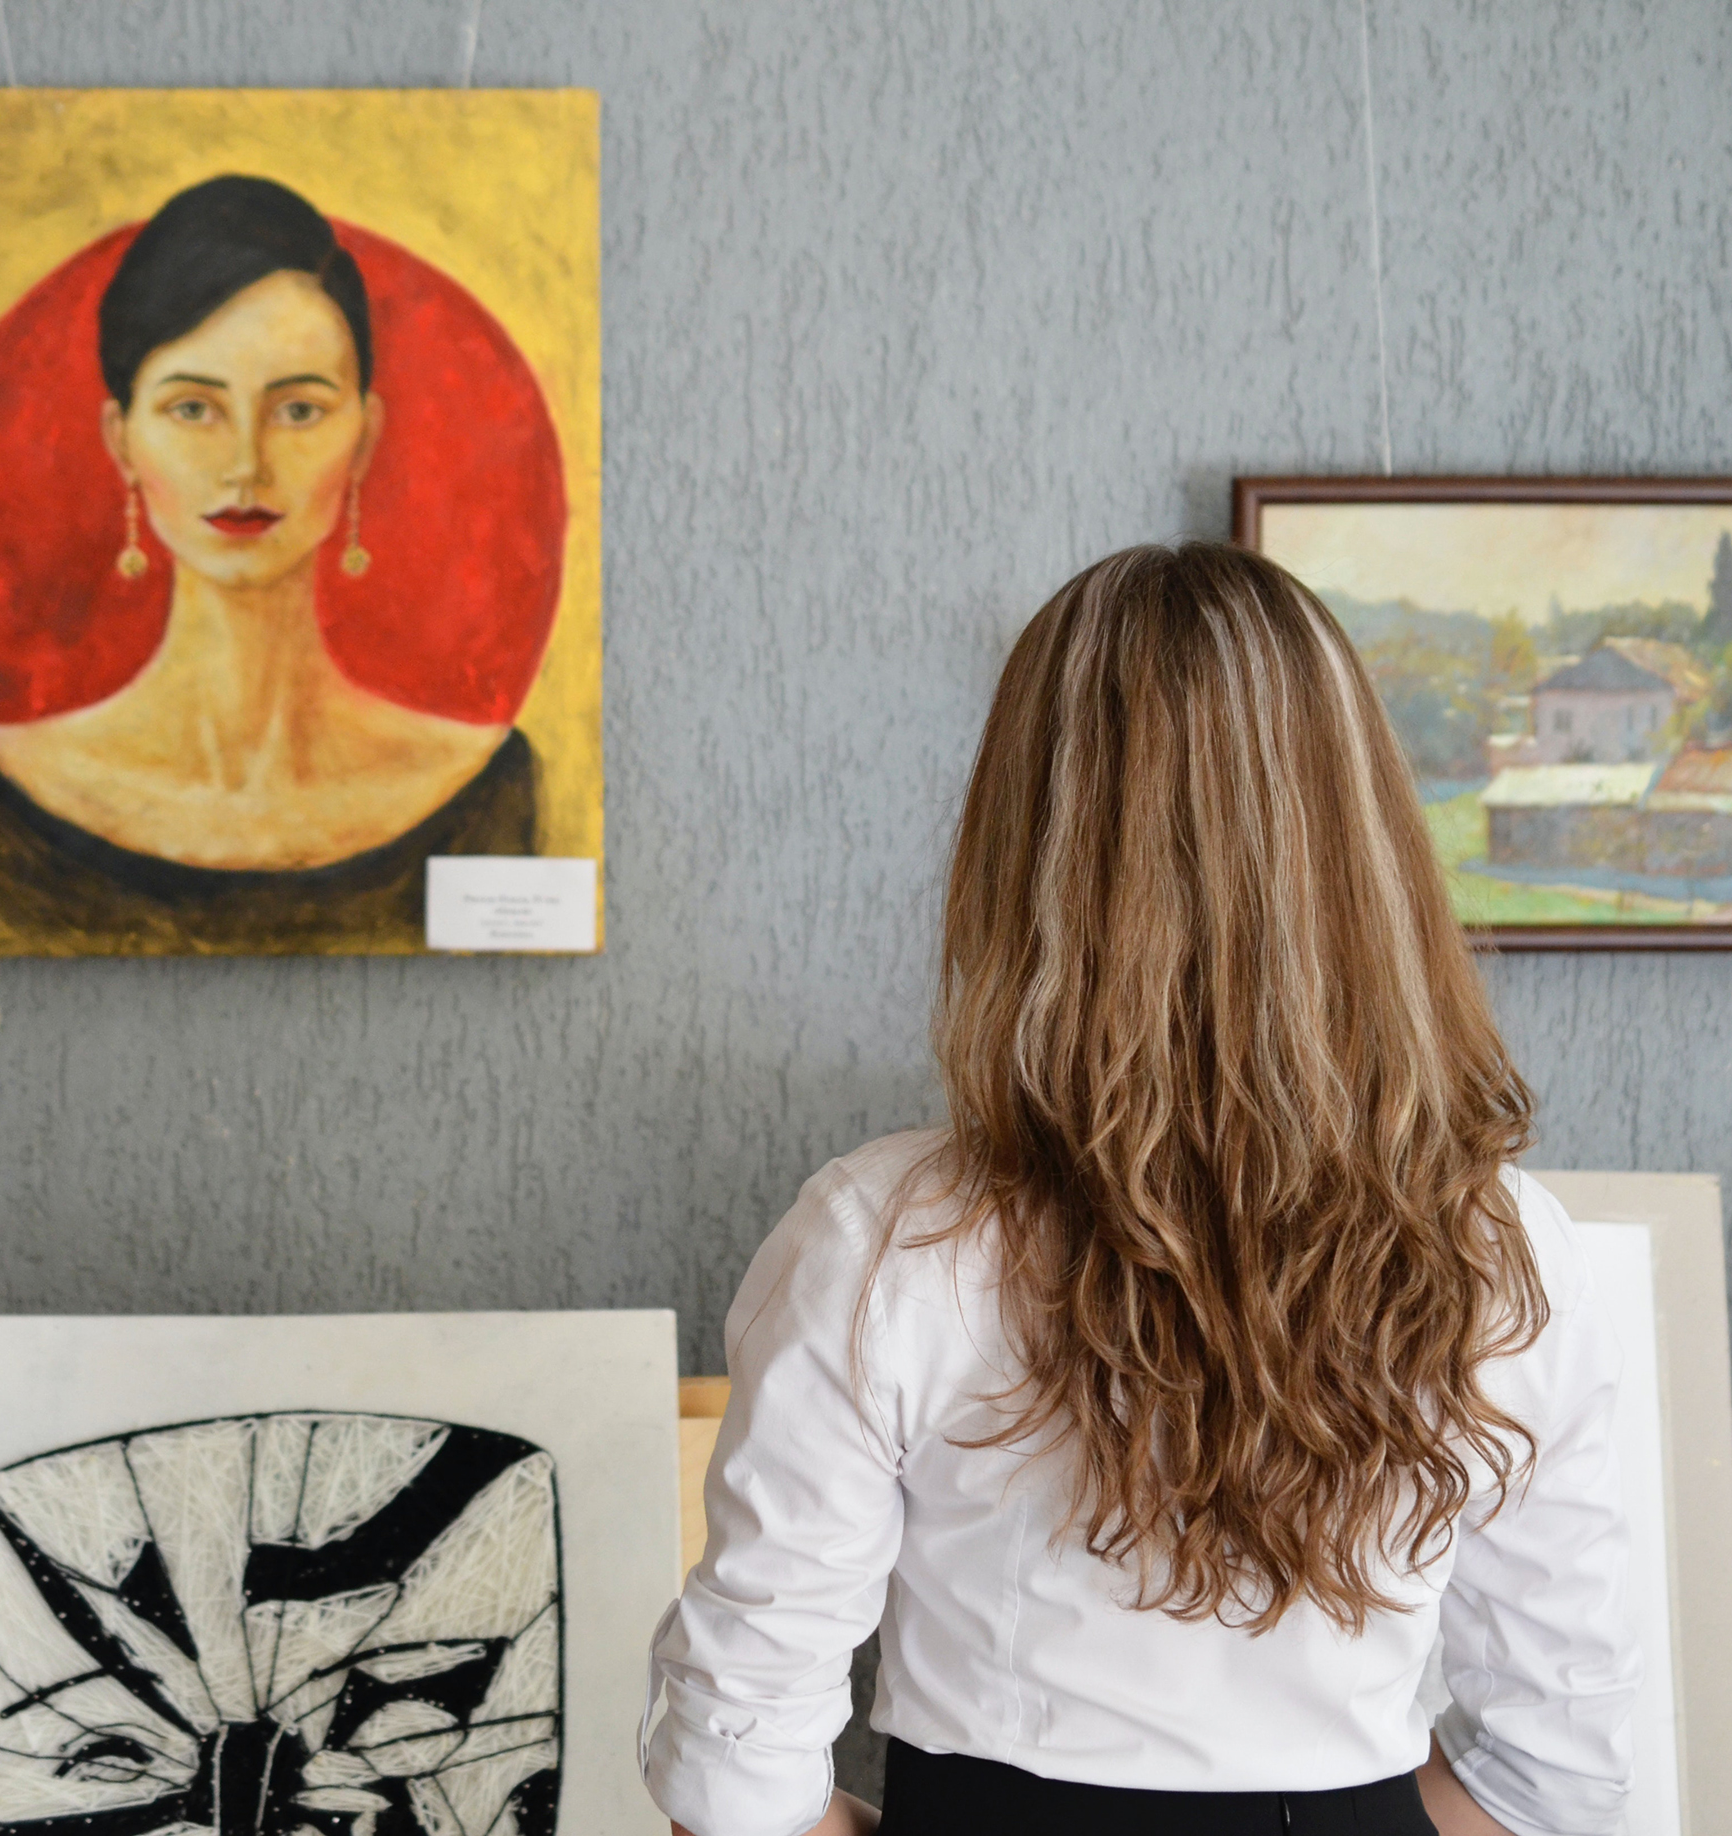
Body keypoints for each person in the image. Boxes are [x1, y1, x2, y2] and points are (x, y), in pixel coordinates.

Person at [642, 544, 1636, 1836]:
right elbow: (1563, 1775)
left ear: (1018, 847)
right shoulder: (1509, 1250)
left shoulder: (883, 1237)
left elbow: (733, 1776)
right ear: (1359, 837)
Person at [0, 175, 535, 953]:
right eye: (194, 409)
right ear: (121, 440)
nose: (244, 467)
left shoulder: (480, 787)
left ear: (362, 440)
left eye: (298, 410)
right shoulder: (4, 794)